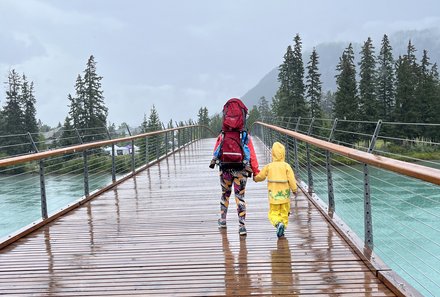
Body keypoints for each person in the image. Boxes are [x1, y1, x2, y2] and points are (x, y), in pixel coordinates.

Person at [211, 98, 260, 236]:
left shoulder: (223, 134)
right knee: (240, 196)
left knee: (225, 195)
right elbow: (252, 155)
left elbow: (217, 150)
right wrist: (255, 171)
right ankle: (242, 226)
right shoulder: (244, 135)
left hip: (225, 168)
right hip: (241, 169)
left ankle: (223, 220)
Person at [253, 141, 297, 238]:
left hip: (274, 197)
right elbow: (292, 179)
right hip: (285, 197)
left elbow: (261, 176)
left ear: (272, 153)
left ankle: (278, 224)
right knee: (284, 213)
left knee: (273, 213)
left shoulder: (269, 166)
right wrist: (294, 189)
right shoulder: (286, 166)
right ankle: (283, 227)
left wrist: (255, 178)